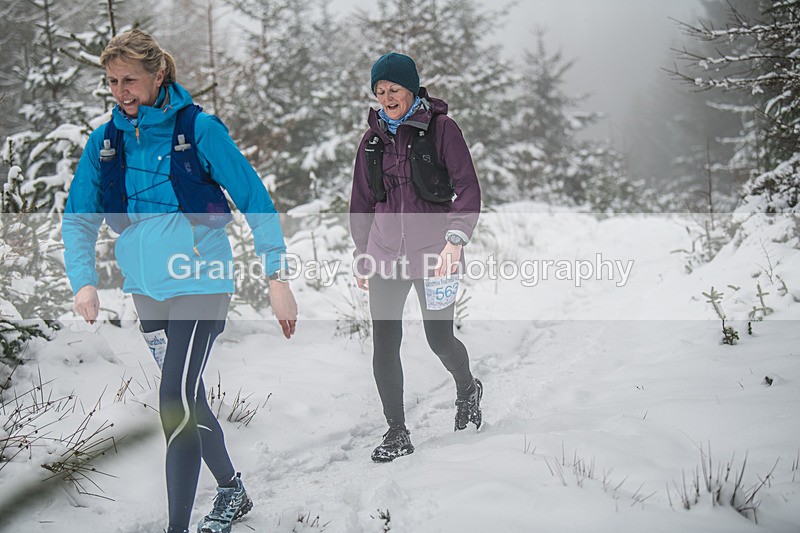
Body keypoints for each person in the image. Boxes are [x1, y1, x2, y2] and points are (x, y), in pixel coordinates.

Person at [62, 29, 297, 533]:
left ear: (158, 73)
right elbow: (78, 216)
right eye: (112, 81)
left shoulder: (199, 128)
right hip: (146, 289)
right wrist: (83, 281)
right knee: (191, 398)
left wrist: (276, 274)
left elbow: (254, 196)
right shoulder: (105, 142)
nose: (121, 90)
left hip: (200, 278)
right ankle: (232, 489)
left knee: (176, 401)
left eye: (130, 79)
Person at [349, 52, 483, 463]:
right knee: (385, 344)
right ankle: (396, 431)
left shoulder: (442, 130)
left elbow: (468, 189)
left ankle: (467, 387)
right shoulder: (372, 141)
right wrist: (361, 253)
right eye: (380, 91)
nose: (387, 97)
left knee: (439, 338)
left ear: (412, 89)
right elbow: (361, 203)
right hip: (386, 255)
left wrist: (455, 240)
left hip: (436, 256)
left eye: (394, 89)